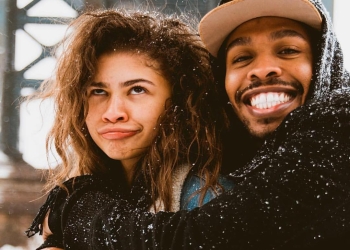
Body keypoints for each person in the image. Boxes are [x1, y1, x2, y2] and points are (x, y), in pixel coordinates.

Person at [29, 0, 350, 249]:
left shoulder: (337, 127)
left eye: (288, 50)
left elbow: (189, 241)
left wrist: (73, 208)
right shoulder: (242, 158)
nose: (113, 111)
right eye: (97, 91)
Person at [25, 9, 233, 249]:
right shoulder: (94, 192)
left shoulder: (202, 194)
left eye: (137, 90)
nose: (113, 113)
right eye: (98, 92)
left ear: (179, 101)